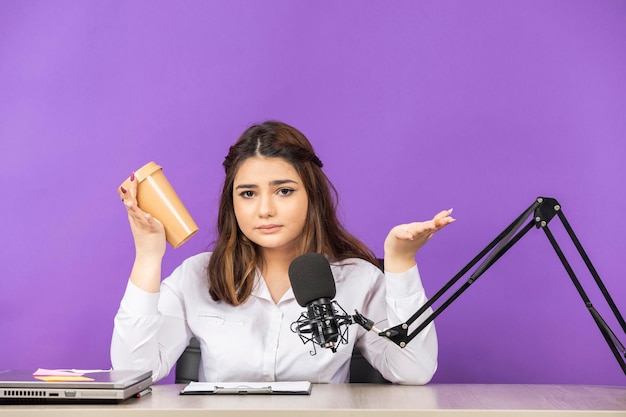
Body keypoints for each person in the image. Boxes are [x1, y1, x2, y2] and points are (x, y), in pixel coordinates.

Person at [111, 120, 454, 384]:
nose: (264, 210)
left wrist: (401, 262)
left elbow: (414, 370)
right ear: (232, 203)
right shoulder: (197, 277)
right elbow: (132, 371)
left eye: (284, 191)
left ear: (311, 196)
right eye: (247, 194)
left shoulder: (358, 278)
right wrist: (148, 255)